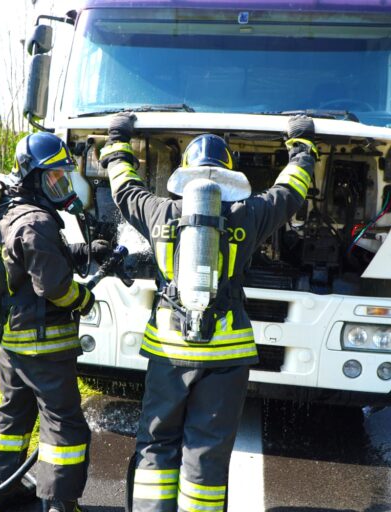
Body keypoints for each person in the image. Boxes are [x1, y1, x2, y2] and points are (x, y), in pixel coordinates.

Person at [100, 113, 316, 512]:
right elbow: (290, 191)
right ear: (230, 175)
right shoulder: (248, 215)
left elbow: (124, 188)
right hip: (227, 356)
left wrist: (118, 140)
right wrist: (301, 145)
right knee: (207, 451)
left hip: (169, 351)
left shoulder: (158, 212)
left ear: (184, 173)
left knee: (157, 443)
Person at [0, 132, 111, 512]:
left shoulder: (10, 211)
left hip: (13, 342)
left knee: (13, 417)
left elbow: (30, 261)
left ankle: (1, 493)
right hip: (44, 345)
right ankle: (59, 503)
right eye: (54, 177)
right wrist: (84, 299)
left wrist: (83, 252)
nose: (60, 185)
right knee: (64, 425)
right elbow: (53, 286)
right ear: (34, 177)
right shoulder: (37, 221)